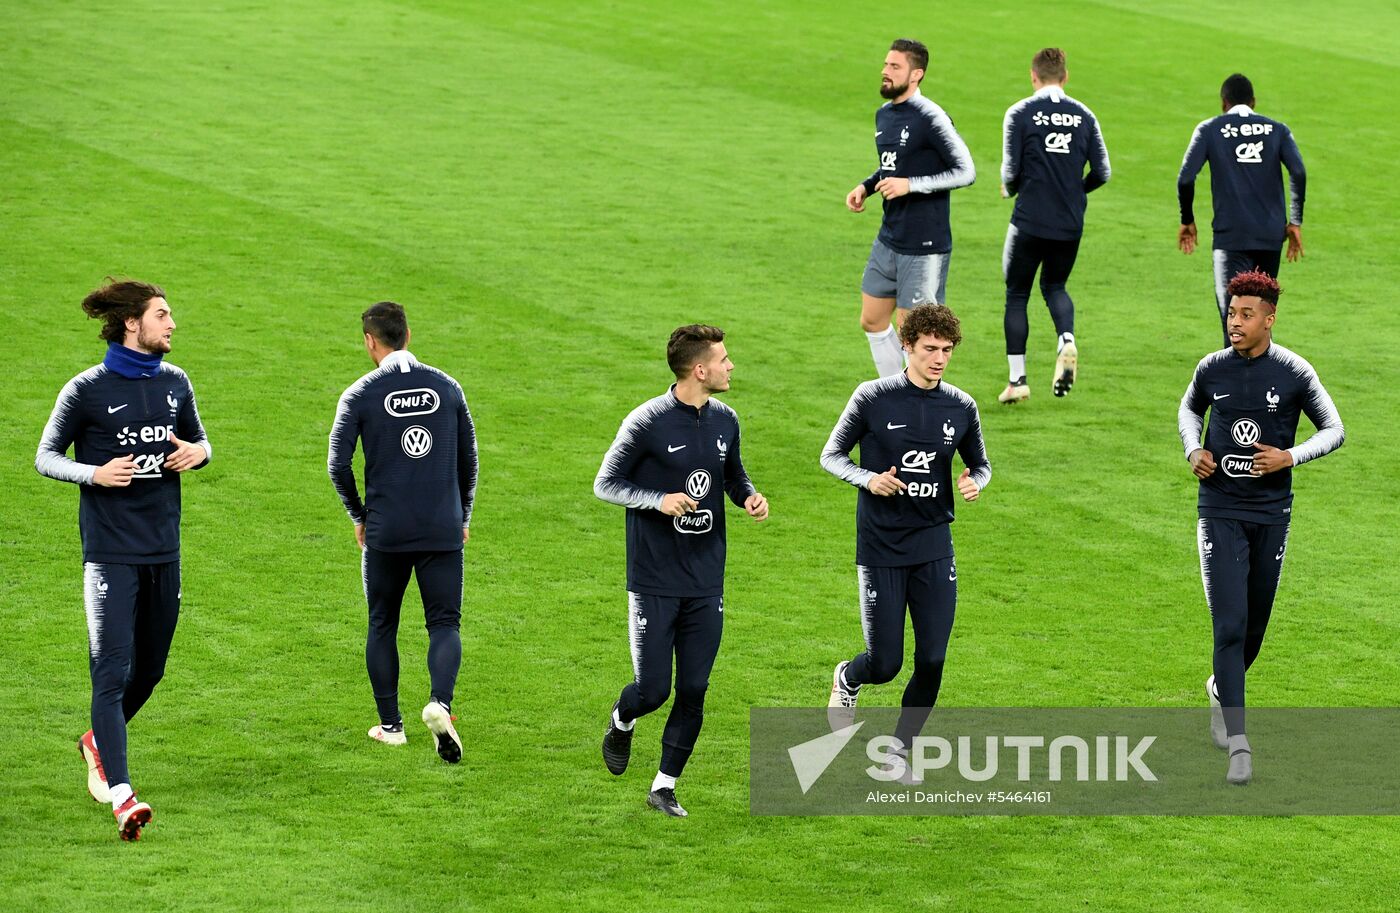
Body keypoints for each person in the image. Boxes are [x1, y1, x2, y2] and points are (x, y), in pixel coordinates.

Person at [36, 279, 212, 841]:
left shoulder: (176, 383)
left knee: (152, 668)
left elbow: (202, 441)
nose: (172, 324)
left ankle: (95, 743)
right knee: (110, 673)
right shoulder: (85, 390)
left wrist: (197, 453)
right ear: (133, 324)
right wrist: (94, 473)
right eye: (163, 315)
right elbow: (45, 456)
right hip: (110, 555)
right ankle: (122, 796)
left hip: (165, 548)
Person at [595, 325, 768, 817]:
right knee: (653, 690)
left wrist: (749, 497)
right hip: (653, 580)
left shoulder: (726, 420)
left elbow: (732, 474)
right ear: (700, 369)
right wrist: (658, 500)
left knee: (694, 689)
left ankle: (664, 787)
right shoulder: (647, 421)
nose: (731, 366)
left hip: (705, 578)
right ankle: (622, 720)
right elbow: (605, 483)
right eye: (724, 359)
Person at [1177, 270, 1342, 784]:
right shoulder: (1212, 369)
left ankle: (1220, 689)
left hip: (1271, 515)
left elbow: (1335, 430)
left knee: (1253, 631)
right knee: (1228, 625)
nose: (1235, 322)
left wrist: (1288, 457)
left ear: (1269, 320)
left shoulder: (1294, 372)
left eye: (1246, 314)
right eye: (1232, 312)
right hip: (1219, 510)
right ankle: (1239, 745)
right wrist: (1194, 449)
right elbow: (1188, 410)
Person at [821, 303, 990, 775]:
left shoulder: (961, 405)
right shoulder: (872, 398)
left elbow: (981, 462)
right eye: (930, 349)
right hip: (881, 548)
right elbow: (831, 456)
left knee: (933, 658)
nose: (939, 359)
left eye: (947, 350)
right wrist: (868, 479)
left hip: (934, 544)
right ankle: (848, 676)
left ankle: (900, 749)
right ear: (907, 347)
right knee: (886, 663)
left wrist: (976, 481)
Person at [328, 301, 478, 764]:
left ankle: (391, 726)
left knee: (382, 624)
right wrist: (463, 516)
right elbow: (469, 460)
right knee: (444, 624)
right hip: (441, 527)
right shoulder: (448, 387)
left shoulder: (359, 394)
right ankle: (441, 705)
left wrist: (359, 516)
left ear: (371, 341)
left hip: (387, 532)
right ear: (408, 335)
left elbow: (337, 465)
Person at [846, 38, 976, 378]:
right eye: (886, 65)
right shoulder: (885, 115)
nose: (885, 72)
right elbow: (894, 166)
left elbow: (966, 171)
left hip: (924, 244)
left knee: (917, 334)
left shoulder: (931, 116)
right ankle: (894, 391)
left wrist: (910, 185)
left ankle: (918, 406)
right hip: (890, 237)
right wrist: (868, 186)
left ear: (916, 74)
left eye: (894, 67)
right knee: (872, 319)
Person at [998, 47, 1111, 404]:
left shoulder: (1019, 113)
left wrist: (1011, 189)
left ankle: (1018, 382)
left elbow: (1010, 171)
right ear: (1065, 77)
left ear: (1033, 76)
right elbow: (1103, 172)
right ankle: (1066, 338)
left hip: (1030, 219)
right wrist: (1076, 191)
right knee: (1055, 286)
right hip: (1069, 222)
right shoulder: (1085, 115)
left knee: (1017, 293)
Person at [1177, 74, 1307, 347]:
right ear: (1253, 102)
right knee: (1260, 320)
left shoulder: (1209, 129)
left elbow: (1186, 178)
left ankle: (1237, 388)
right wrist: (1294, 222)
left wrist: (1187, 219)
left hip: (1230, 238)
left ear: (1224, 102)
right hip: (1270, 238)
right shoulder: (1278, 129)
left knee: (1234, 323)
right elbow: (1298, 171)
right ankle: (1265, 387)